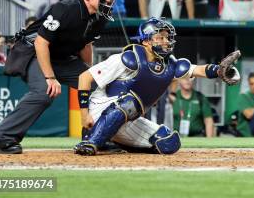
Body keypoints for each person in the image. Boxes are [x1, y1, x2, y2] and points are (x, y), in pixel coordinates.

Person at [0, 0, 117, 154]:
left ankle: (95, 137)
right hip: (32, 52)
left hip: (62, 58)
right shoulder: (65, 8)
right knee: (44, 91)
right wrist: (50, 77)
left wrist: (88, 74)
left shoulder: (100, 17)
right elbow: (41, 42)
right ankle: (2, 139)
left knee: (99, 85)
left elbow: (86, 46)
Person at [73, 19, 240, 155]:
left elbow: (197, 69)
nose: (166, 41)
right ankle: (91, 141)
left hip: (128, 117)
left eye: (167, 37)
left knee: (169, 142)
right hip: (99, 109)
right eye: (160, 37)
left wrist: (219, 70)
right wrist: (84, 115)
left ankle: (108, 139)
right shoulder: (129, 58)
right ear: (146, 41)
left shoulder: (170, 65)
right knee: (130, 102)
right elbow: (84, 78)